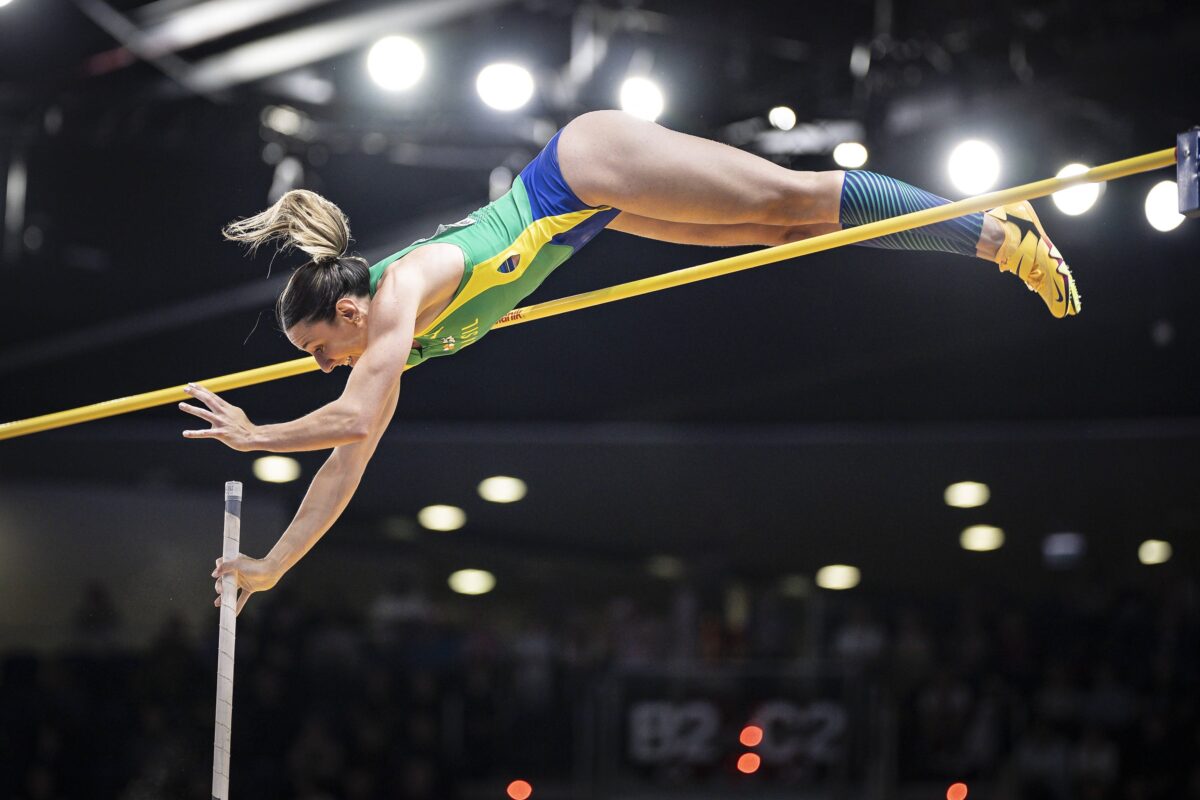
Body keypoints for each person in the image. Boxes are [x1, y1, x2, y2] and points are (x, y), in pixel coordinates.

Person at [187, 110, 1079, 614]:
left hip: (582, 166)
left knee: (786, 197)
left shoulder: (396, 297)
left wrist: (256, 433)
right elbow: (348, 461)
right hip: (586, 208)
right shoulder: (390, 334)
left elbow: (349, 421)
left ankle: (997, 234)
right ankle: (991, 236)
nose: (319, 366)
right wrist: (274, 564)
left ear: (346, 312)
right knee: (772, 227)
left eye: (316, 350)